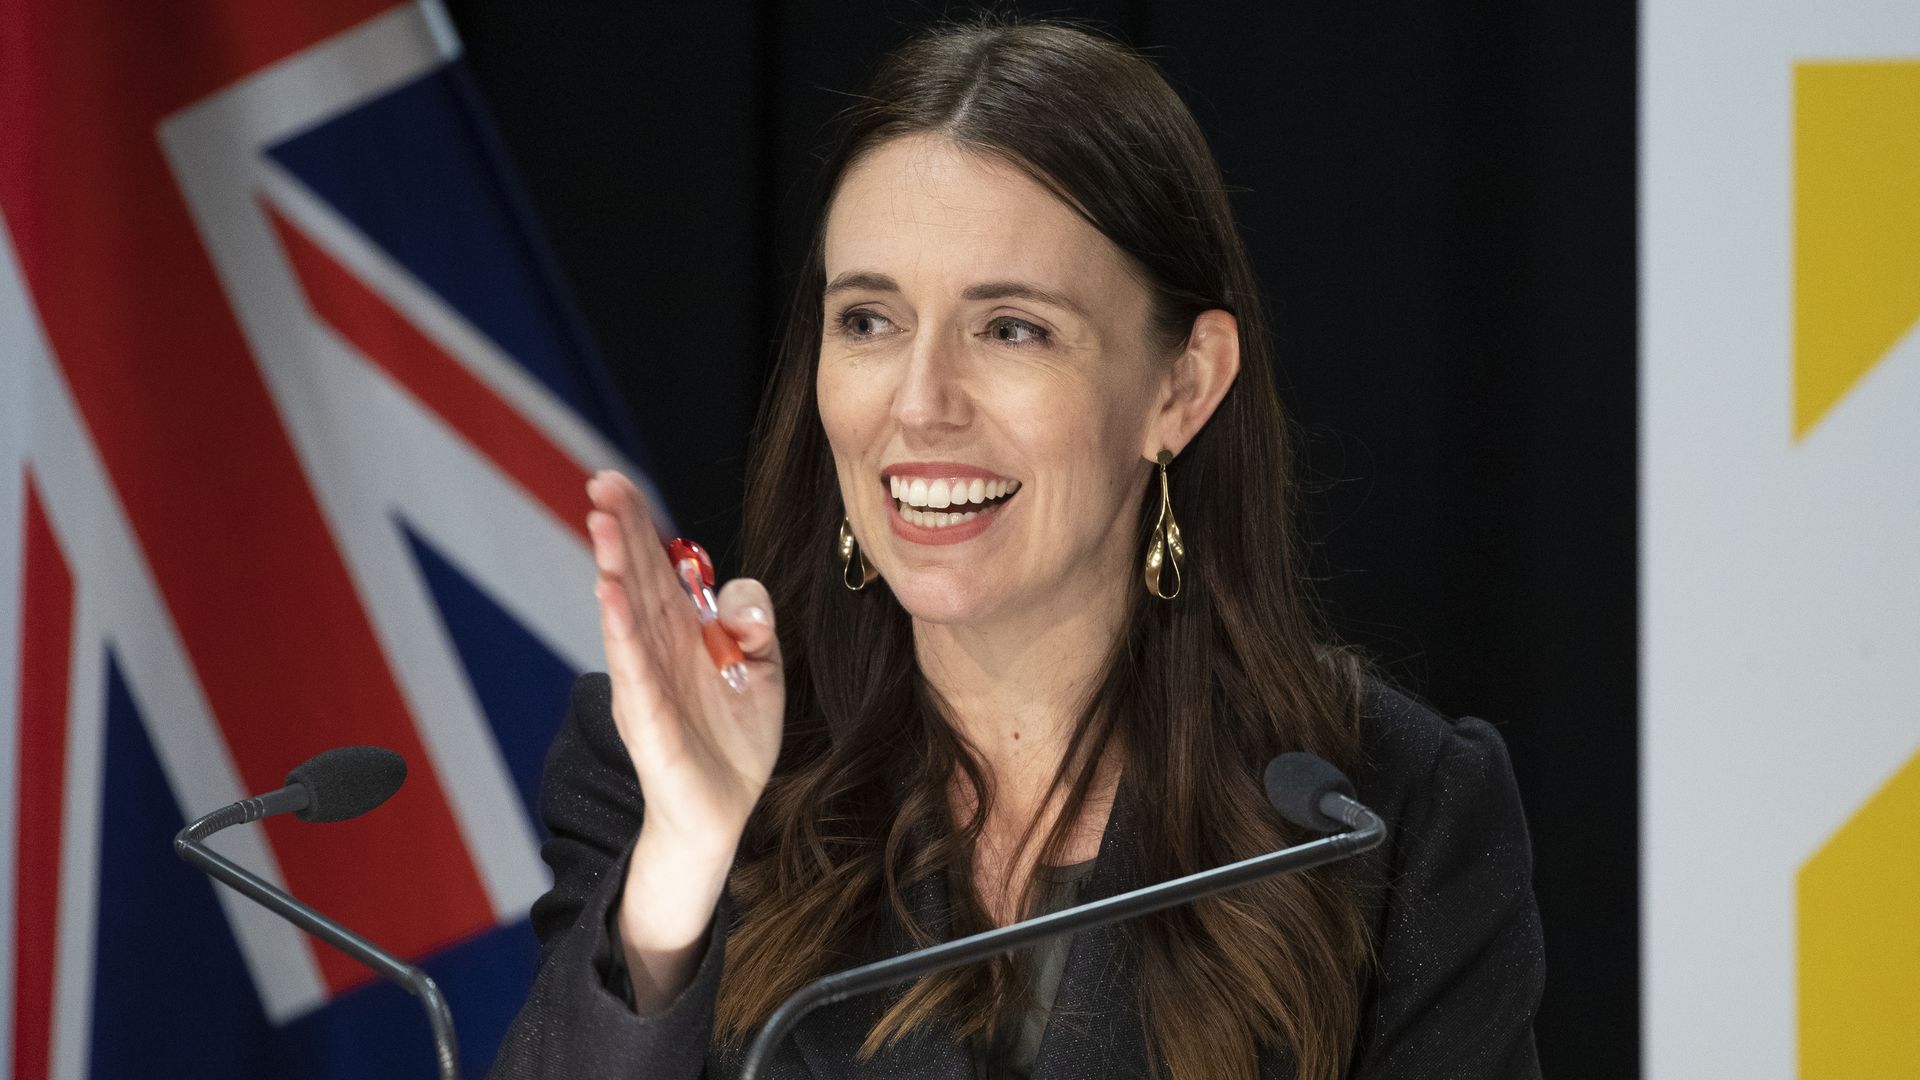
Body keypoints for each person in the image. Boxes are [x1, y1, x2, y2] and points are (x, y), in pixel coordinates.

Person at [489, 17, 1543, 1080]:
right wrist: (684, 858)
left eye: (1012, 329)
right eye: (867, 321)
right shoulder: (661, 776)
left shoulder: (1384, 818)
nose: (919, 403)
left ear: (1182, 386)